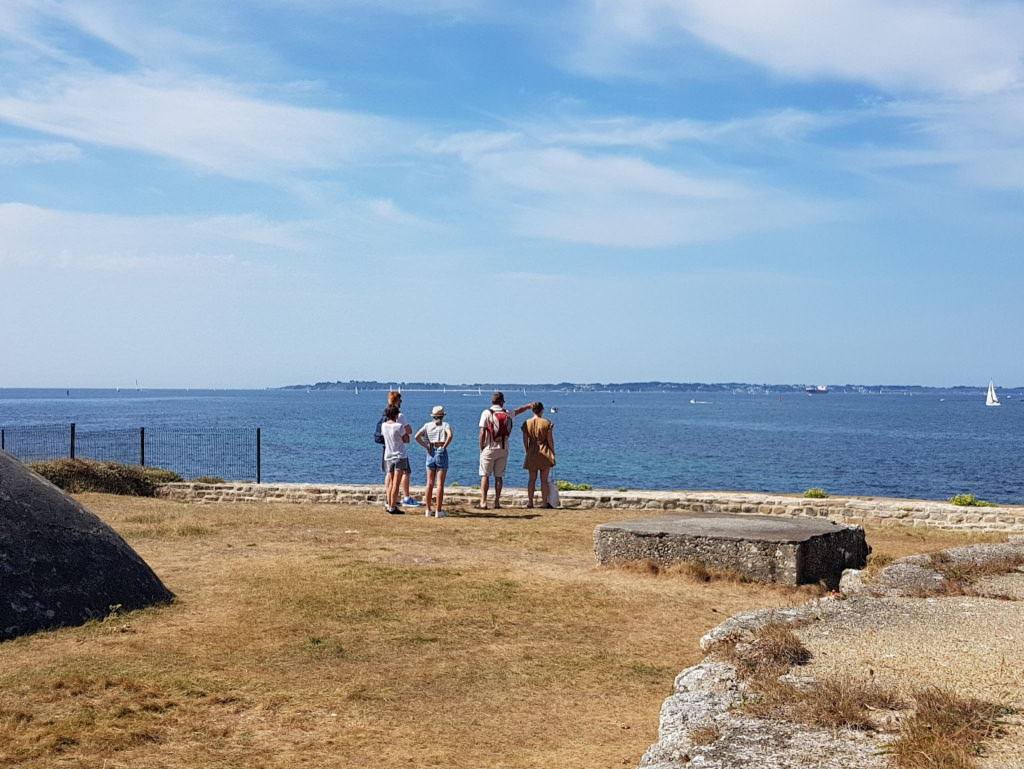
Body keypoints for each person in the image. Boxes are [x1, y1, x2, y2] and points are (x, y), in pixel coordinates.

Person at [477, 392, 532, 510]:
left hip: (489, 447)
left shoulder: (487, 413)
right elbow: (518, 411)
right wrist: (527, 407)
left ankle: (483, 502)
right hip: (504, 448)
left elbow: (482, 432)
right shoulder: (507, 413)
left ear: (492, 402)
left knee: (485, 475)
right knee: (499, 476)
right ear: (502, 402)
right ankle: (496, 502)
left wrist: (481, 447)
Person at [380, 392, 421, 507]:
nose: (401, 403)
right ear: (397, 401)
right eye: (400, 400)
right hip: (399, 451)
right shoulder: (400, 416)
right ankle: (405, 497)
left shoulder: (385, 417)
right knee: (405, 473)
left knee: (389, 474)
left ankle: (389, 499)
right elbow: (409, 432)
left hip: (387, 449)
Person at [415, 405, 453, 518]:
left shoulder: (427, 425)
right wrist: (444, 446)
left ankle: (428, 509)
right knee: (440, 483)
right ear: (442, 416)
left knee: (429, 483)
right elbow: (450, 435)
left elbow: (417, 436)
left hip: (430, 451)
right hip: (441, 451)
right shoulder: (445, 425)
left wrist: (426, 447)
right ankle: (439, 510)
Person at [522, 401, 556, 508]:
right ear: (541, 410)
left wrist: (527, 451)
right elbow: (550, 439)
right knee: (544, 480)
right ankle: (544, 502)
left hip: (532, 450)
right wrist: (552, 451)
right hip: (544, 451)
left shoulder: (527, 423)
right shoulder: (546, 423)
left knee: (532, 479)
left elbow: (525, 440)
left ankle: (530, 502)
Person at [381, 404, 411, 514]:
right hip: (399, 456)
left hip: (388, 456)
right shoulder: (399, 426)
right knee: (395, 484)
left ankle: (389, 504)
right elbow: (407, 439)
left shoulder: (383, 426)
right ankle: (393, 507)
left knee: (390, 482)